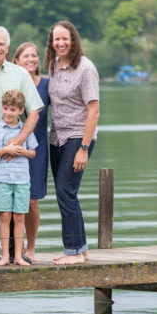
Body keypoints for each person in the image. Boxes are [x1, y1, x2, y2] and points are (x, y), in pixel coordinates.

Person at [0, 26, 43, 264]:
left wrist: (20, 140)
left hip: (16, 136)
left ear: (7, 48)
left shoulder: (20, 74)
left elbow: (34, 112)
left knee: (15, 193)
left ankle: (15, 251)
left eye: (2, 44)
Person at [44, 20, 100, 265]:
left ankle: (73, 251)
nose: (60, 43)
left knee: (65, 192)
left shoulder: (86, 69)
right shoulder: (54, 65)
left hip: (78, 137)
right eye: (56, 39)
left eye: (65, 38)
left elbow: (94, 111)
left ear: (73, 40)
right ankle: (80, 248)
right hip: (56, 137)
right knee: (66, 194)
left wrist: (84, 149)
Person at [0, 90, 37, 268]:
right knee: (5, 215)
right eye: (5, 108)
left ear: (21, 111)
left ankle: (18, 256)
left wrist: (23, 151)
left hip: (22, 179)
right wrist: (5, 150)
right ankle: (5, 255)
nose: (8, 113)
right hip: (2, 179)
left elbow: (33, 153)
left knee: (20, 217)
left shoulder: (25, 131)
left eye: (12, 110)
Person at [13, 42, 50, 262]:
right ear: (16, 61)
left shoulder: (46, 85)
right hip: (12, 148)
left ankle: (31, 246)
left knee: (31, 201)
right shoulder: (11, 85)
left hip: (38, 149)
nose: (31, 59)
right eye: (26, 56)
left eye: (34, 56)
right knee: (11, 199)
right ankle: (13, 247)